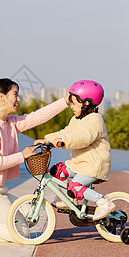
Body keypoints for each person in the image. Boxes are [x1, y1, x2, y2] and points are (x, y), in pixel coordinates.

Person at [0, 78, 69, 242]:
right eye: (15, 94)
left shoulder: (9, 123)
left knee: (28, 215)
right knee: (22, 232)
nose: (18, 99)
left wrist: (65, 101)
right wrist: (22, 155)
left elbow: (37, 117)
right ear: (2, 97)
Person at [35, 80, 116, 221]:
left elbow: (83, 138)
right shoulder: (76, 119)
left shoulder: (95, 120)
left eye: (74, 103)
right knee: (57, 170)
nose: (71, 106)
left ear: (86, 103)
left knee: (75, 186)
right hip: (79, 164)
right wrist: (47, 139)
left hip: (93, 166)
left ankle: (103, 202)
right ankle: (70, 201)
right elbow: (66, 131)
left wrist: (63, 141)